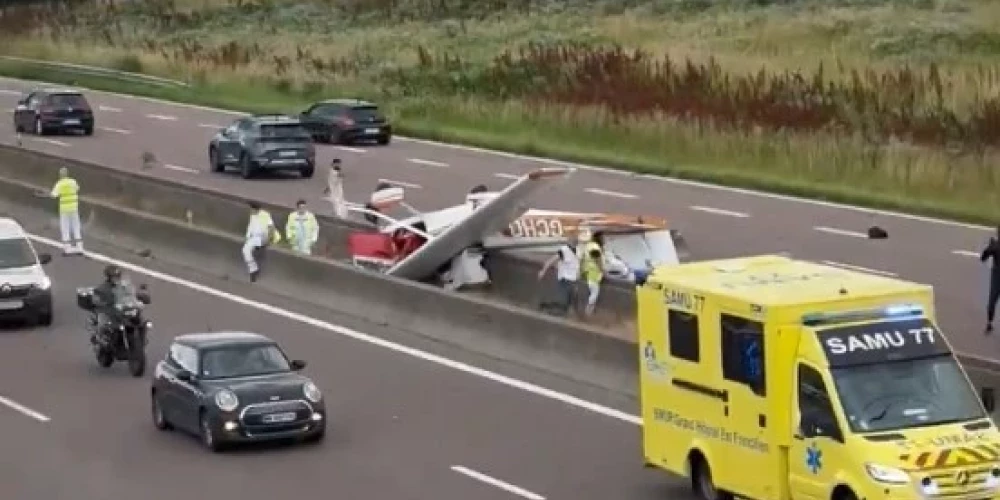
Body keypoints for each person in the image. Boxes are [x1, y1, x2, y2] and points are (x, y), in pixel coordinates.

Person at [537, 235, 580, 316]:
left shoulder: (577, 251)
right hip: (565, 279)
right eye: (573, 241)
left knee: (572, 300)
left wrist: (578, 278)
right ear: (569, 242)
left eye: (576, 241)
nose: (575, 242)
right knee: (565, 301)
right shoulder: (564, 250)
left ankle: (568, 314)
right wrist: (543, 271)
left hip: (573, 279)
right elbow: (551, 260)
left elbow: (576, 265)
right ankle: (546, 308)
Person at [243, 201, 281, 282]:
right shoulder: (252, 216)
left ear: (256, 209)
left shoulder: (265, 215)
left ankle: (253, 271)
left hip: (263, 237)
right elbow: (250, 227)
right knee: (245, 250)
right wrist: (247, 237)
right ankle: (253, 269)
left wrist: (267, 240)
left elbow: (271, 227)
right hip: (254, 238)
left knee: (250, 249)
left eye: (252, 209)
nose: (251, 211)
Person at [50, 166, 82, 255]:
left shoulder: (59, 184)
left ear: (60, 175)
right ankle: (79, 247)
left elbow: (54, 195)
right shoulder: (73, 182)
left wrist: (52, 194)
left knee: (65, 228)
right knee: (76, 227)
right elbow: (77, 188)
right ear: (67, 174)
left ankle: (68, 249)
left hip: (64, 209)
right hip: (74, 208)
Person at [91, 264, 125, 346]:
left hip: (120, 311)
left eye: (118, 276)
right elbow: (95, 300)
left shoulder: (124, 286)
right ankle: (98, 337)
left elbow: (131, 295)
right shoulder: (101, 288)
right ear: (109, 277)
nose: (116, 278)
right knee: (103, 323)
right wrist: (103, 303)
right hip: (107, 311)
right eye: (114, 277)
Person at [580, 230, 605, 317]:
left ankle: (590, 311)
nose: (604, 239)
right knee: (594, 293)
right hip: (594, 273)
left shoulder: (588, 246)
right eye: (602, 238)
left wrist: (582, 270)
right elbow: (597, 259)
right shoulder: (595, 247)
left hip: (588, 271)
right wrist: (602, 270)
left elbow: (582, 258)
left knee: (592, 292)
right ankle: (588, 311)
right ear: (599, 238)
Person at [981, 225, 1000, 333]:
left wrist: (990, 245)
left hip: (997, 276)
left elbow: (983, 258)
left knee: (992, 301)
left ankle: (989, 323)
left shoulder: (995, 246)